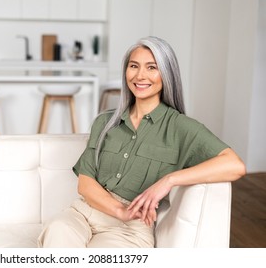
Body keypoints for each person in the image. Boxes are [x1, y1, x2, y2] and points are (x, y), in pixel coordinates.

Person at [37, 36, 246, 248]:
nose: (140, 75)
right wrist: (119, 210)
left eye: (152, 67)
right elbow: (85, 183)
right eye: (133, 66)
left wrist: (169, 180)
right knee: (57, 232)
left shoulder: (180, 127)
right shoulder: (106, 122)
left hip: (131, 229)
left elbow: (234, 165)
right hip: (83, 213)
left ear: (167, 74)